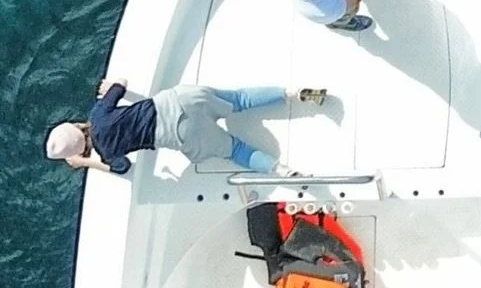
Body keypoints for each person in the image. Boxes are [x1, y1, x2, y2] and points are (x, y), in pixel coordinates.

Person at [45, 79, 328, 176]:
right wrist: (111, 87)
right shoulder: (99, 113)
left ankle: (281, 170)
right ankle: (291, 92)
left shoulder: (106, 152)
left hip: (181, 135)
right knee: (239, 99)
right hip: (180, 99)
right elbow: (120, 84)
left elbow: (122, 168)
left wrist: (87, 163)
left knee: (235, 149)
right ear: (77, 126)